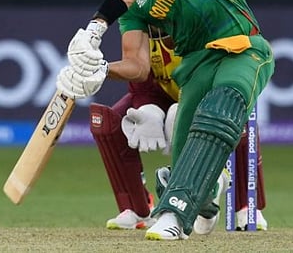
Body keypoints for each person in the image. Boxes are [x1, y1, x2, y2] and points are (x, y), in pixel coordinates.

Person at [56, 0, 274, 241]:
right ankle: (205, 197)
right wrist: (100, 71)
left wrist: (96, 26)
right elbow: (138, 65)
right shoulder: (134, 8)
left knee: (222, 106)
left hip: (242, 46)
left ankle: (173, 215)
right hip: (196, 65)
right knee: (185, 146)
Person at [93, 27, 269, 231]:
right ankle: (138, 209)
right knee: (107, 123)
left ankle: (246, 207)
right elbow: (140, 81)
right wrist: (149, 109)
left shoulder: (195, 24)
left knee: (234, 117)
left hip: (206, 93)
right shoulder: (140, 25)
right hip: (164, 96)